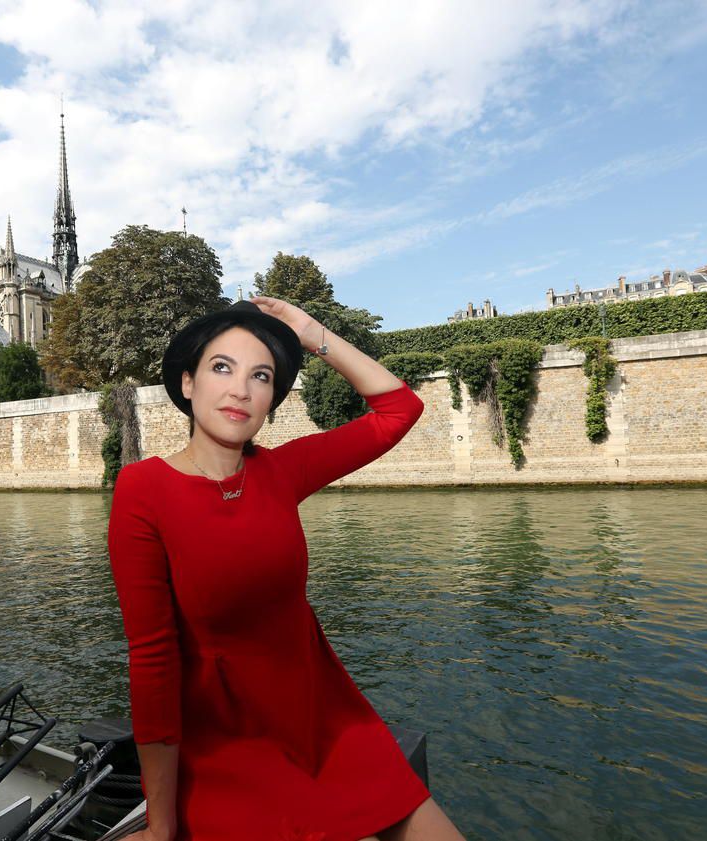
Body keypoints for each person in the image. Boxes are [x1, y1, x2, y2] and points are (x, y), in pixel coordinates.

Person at [107, 296, 467, 841]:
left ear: (271, 398)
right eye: (221, 368)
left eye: (261, 376)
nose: (240, 390)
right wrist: (161, 824)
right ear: (187, 384)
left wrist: (308, 331)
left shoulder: (281, 470)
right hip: (228, 745)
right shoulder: (143, 489)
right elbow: (153, 660)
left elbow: (400, 409)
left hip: (325, 721)